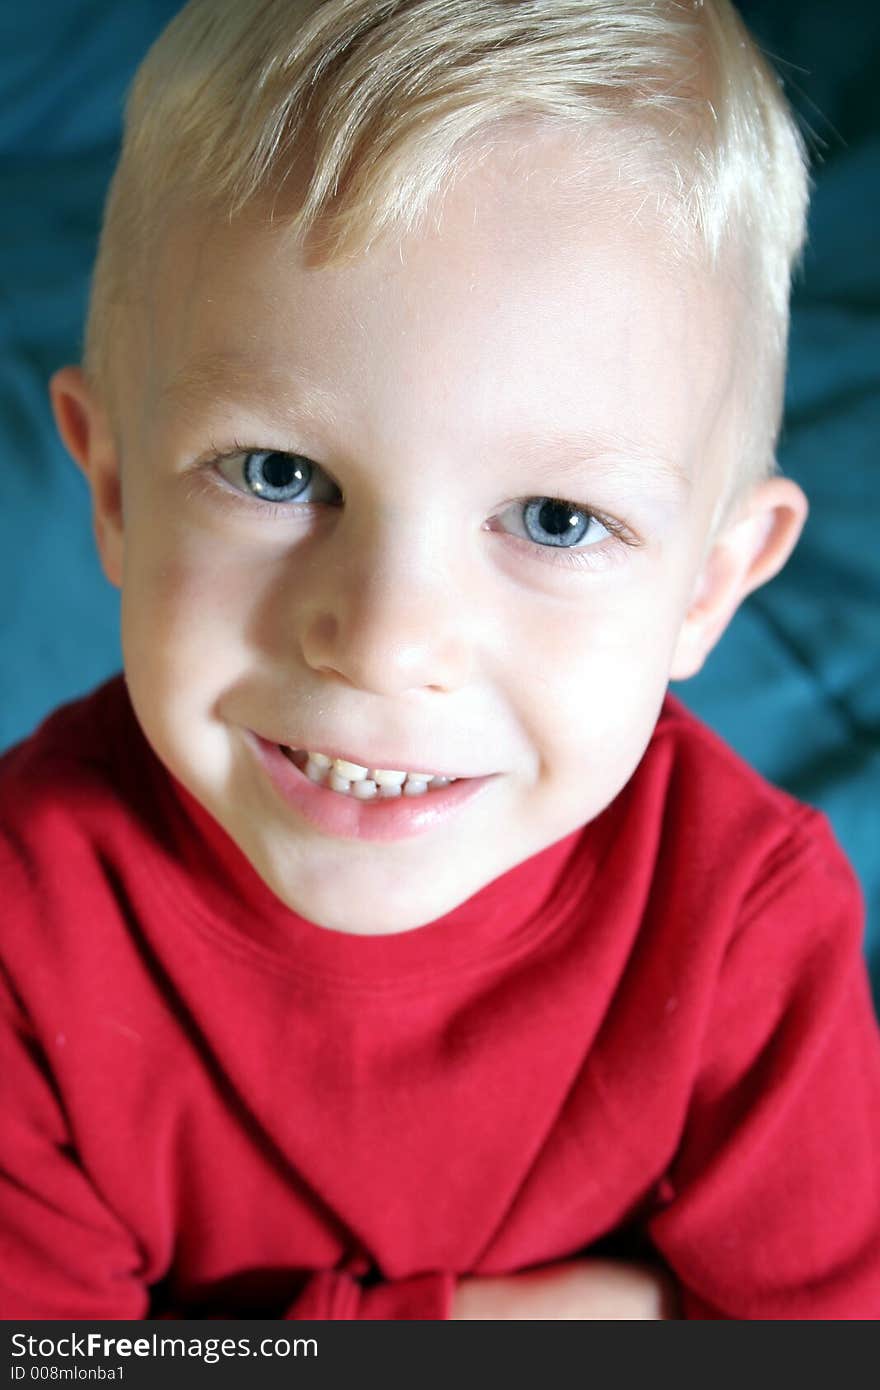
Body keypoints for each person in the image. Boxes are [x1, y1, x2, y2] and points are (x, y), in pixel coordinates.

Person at [1, 0, 878, 1320]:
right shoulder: (25, 922)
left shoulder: (746, 919)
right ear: (113, 490)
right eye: (280, 473)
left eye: (556, 519)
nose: (388, 639)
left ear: (709, 583)